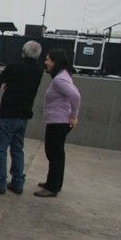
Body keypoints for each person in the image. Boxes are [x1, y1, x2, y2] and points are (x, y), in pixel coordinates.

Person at [0, 41, 43, 195]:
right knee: (17, 149)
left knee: (0, 149)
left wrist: (6, 84)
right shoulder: (38, 71)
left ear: (23, 52)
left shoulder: (14, 67)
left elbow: (0, 81)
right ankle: (17, 183)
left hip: (8, 113)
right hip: (24, 115)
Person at [34, 49, 81, 198]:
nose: (46, 62)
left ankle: (52, 187)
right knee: (55, 153)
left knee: (54, 153)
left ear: (56, 62)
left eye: (48, 59)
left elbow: (75, 96)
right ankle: (53, 183)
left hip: (59, 122)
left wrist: (74, 116)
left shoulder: (59, 79)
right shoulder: (63, 75)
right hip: (58, 120)